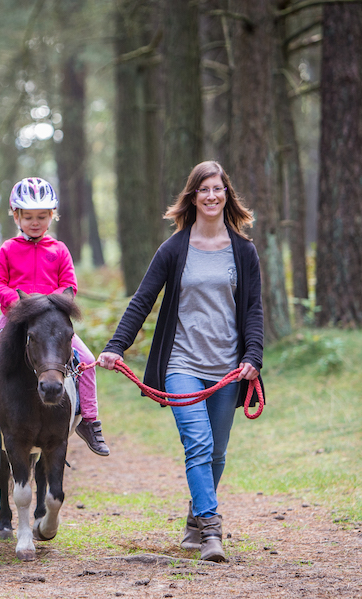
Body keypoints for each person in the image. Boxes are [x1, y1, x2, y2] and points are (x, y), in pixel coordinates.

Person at [97, 161, 265, 562]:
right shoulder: (174, 249)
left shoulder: (244, 251)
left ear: (227, 195)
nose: (211, 196)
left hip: (227, 369)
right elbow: (143, 300)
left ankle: (194, 518)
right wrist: (116, 346)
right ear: (192, 196)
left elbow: (254, 310)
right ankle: (210, 530)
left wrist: (253, 355)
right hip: (181, 364)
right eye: (203, 189)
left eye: (218, 189)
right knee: (199, 444)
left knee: (218, 453)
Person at [0, 177, 109, 456]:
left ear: (52, 216)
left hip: (51, 325)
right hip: (13, 319)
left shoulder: (59, 250)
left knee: (86, 359)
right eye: (28, 217)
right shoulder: (8, 249)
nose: (35, 222)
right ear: (16, 216)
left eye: (41, 216)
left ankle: (90, 421)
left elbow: (70, 286)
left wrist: (55, 303)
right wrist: (17, 303)